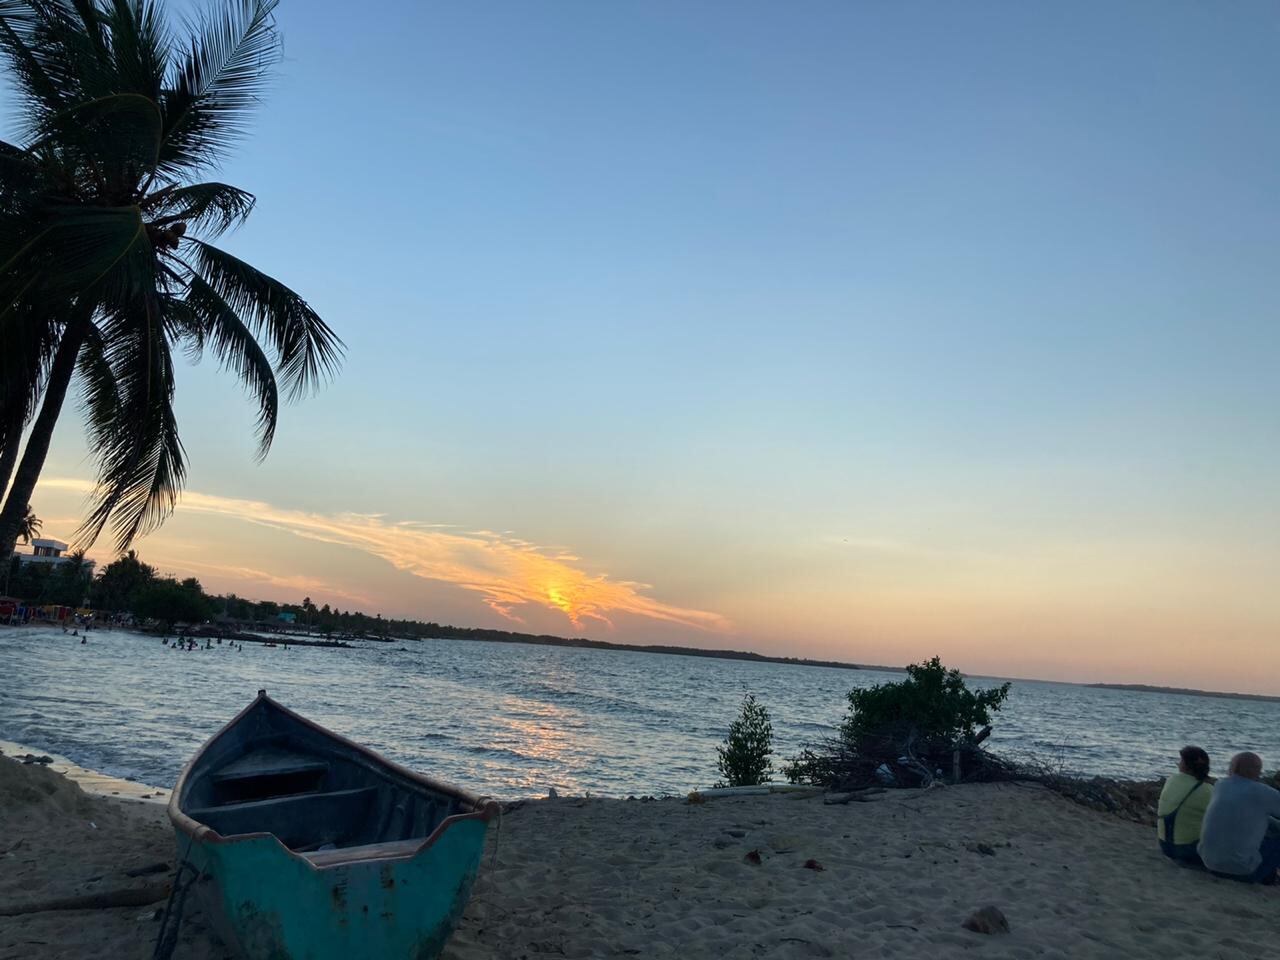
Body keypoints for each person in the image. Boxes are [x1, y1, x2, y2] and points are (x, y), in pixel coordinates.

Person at [1198, 752, 1280, 885]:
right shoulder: (1263, 792)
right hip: (1243, 872)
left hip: (1209, 864)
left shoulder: (1220, 785)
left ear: (1232, 768)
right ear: (1257, 771)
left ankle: (1268, 877)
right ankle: (1267, 879)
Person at [1157, 746, 1213, 865]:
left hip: (1165, 845)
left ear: (1185, 765)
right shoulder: (1207, 790)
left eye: (1180, 761)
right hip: (1188, 850)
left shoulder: (1171, 780)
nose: (1178, 764)